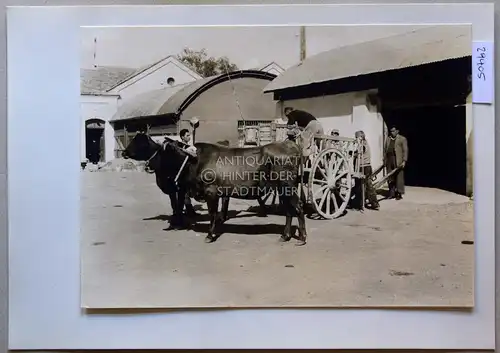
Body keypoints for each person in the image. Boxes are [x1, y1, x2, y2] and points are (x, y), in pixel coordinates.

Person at [353, 130, 379, 210]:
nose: (356, 138)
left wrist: (353, 152)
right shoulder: (362, 144)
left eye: (357, 137)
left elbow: (360, 151)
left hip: (365, 166)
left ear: (361, 137)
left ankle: (374, 203)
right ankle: (360, 202)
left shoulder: (363, 144)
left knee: (368, 185)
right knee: (359, 186)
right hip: (361, 166)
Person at [384, 125, 408, 200]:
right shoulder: (388, 139)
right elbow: (385, 150)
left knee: (398, 177)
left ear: (397, 131)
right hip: (389, 159)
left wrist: (404, 161)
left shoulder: (402, 139)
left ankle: (399, 193)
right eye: (391, 131)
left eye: (393, 131)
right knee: (390, 176)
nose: (392, 132)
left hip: (397, 159)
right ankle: (391, 193)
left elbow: (405, 150)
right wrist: (384, 160)